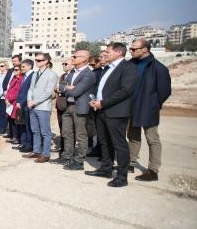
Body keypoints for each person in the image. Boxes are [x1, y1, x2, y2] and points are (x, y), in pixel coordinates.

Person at [85, 43, 138, 187]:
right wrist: (96, 101)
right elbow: (103, 89)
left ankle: (121, 177)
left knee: (119, 144)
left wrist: (103, 103)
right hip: (102, 110)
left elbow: (125, 91)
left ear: (119, 52)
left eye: (108, 52)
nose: (105, 54)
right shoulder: (108, 68)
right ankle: (106, 169)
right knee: (104, 141)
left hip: (116, 112)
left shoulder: (128, 68)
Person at [128, 39, 171, 182]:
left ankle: (153, 170)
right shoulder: (130, 65)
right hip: (131, 107)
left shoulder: (158, 68)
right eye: (130, 49)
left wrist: (153, 104)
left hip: (148, 108)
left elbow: (165, 91)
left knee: (152, 138)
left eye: (134, 49)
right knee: (133, 136)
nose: (131, 51)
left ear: (145, 49)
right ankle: (130, 163)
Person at [53, 50, 96, 171]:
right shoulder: (72, 72)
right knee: (66, 132)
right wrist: (67, 87)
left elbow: (76, 92)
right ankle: (67, 156)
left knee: (80, 135)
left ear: (84, 59)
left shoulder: (89, 74)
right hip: (68, 105)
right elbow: (59, 87)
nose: (72, 58)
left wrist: (66, 88)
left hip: (80, 107)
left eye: (75, 56)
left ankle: (79, 161)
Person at [24, 53, 59, 163]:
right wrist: (29, 100)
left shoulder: (52, 74)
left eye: (39, 60)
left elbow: (48, 92)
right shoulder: (35, 74)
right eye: (36, 60)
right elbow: (31, 89)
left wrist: (34, 101)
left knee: (45, 132)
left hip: (43, 107)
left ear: (46, 61)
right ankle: (36, 151)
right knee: (35, 130)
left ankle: (45, 154)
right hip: (32, 106)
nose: (36, 62)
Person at [13, 59, 35, 153]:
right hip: (22, 105)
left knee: (29, 126)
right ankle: (24, 143)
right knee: (23, 125)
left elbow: (29, 92)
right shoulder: (25, 76)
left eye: (23, 67)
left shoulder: (33, 76)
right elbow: (21, 91)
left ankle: (29, 145)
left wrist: (21, 102)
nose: (21, 68)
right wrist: (18, 102)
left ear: (29, 66)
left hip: (27, 105)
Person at [53, 60, 73, 154]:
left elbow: (71, 89)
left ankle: (68, 150)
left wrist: (62, 88)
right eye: (63, 64)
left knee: (68, 130)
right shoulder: (62, 75)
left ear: (72, 65)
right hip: (60, 104)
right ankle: (63, 148)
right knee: (61, 127)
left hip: (68, 105)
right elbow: (57, 88)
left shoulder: (73, 75)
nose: (63, 65)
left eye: (66, 64)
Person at [5, 64, 24, 144]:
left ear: (20, 71)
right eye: (14, 70)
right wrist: (7, 99)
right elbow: (9, 89)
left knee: (16, 121)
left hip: (15, 102)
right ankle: (13, 136)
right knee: (11, 120)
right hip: (10, 102)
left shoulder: (21, 79)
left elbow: (18, 92)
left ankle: (17, 138)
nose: (14, 71)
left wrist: (10, 99)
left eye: (16, 70)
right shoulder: (14, 78)